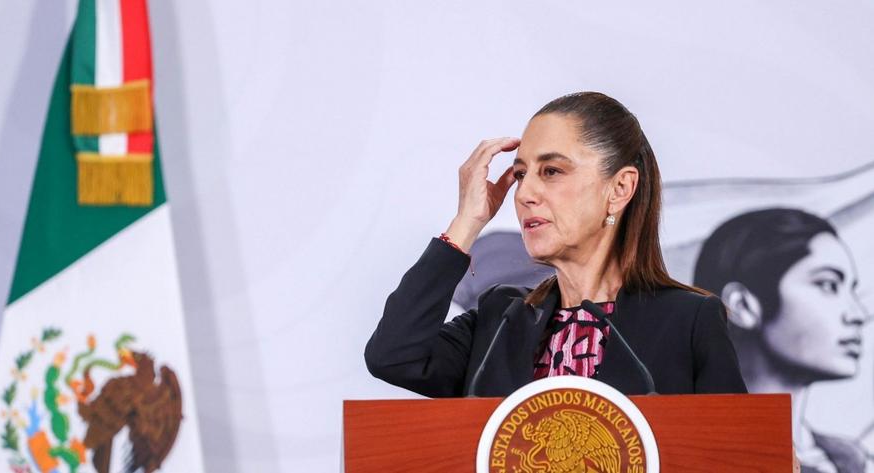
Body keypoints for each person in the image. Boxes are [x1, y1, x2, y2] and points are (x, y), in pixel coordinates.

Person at [365, 91, 747, 398]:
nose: (524, 193)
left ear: (620, 188)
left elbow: (732, 450)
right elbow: (394, 357)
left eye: (551, 171)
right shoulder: (501, 318)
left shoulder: (689, 321)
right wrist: (467, 222)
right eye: (520, 174)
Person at [694, 208, 870, 473]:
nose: (858, 315)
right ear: (742, 305)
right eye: (828, 285)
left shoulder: (850, 460)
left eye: (851, 290)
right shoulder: (683, 451)